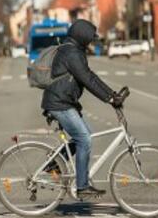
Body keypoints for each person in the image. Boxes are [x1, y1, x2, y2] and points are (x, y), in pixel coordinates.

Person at [41, 19, 126, 198]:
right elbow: (87, 80)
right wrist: (110, 98)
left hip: (64, 101)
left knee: (84, 134)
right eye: (89, 38)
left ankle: (54, 163)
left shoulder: (73, 50)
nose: (90, 41)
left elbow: (90, 76)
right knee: (84, 139)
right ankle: (82, 186)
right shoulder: (71, 53)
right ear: (82, 36)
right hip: (60, 104)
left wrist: (111, 94)